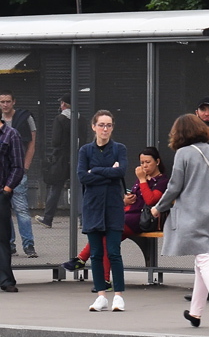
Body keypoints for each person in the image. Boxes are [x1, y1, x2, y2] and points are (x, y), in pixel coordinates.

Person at [153, 114, 209, 331]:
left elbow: (174, 187)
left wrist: (158, 207)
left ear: (179, 134)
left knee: (204, 260)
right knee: (203, 261)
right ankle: (195, 313)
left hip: (193, 215)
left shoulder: (183, 154)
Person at [62, 147, 167, 278]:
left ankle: (83, 259)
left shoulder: (162, 181)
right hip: (127, 215)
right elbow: (135, 197)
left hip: (143, 219)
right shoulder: (143, 177)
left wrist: (142, 180)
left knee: (107, 232)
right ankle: (102, 277)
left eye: (148, 162)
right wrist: (126, 199)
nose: (144, 166)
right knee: (106, 238)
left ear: (157, 162)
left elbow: (151, 200)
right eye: (141, 163)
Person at [78, 110, 127, 312]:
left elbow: (121, 172)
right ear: (93, 127)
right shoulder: (85, 151)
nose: (104, 129)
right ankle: (101, 295)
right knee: (96, 253)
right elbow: (82, 176)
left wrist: (96, 171)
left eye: (108, 125)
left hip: (113, 207)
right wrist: (109, 172)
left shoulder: (119, 149)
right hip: (92, 207)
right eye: (101, 125)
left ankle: (118, 296)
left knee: (114, 252)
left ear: (112, 128)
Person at [0, 91, 36, 257]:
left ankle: (28, 245)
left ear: (13, 102)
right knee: (5, 210)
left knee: (21, 209)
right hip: (3, 173)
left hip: (18, 169)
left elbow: (32, 143)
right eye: (2, 102)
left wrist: (25, 167)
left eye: (8, 101)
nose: (5, 105)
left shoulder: (24, 118)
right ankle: (10, 244)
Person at [37, 96, 73, 228]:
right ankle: (82, 220)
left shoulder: (60, 119)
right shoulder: (80, 118)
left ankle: (48, 218)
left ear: (63, 104)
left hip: (61, 158)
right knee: (79, 188)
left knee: (56, 188)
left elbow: (56, 141)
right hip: (77, 156)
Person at [0, 114, 24, 293]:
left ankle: (6, 279)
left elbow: (18, 166)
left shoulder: (11, 134)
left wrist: (7, 190)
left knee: (2, 238)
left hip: (1, 193)